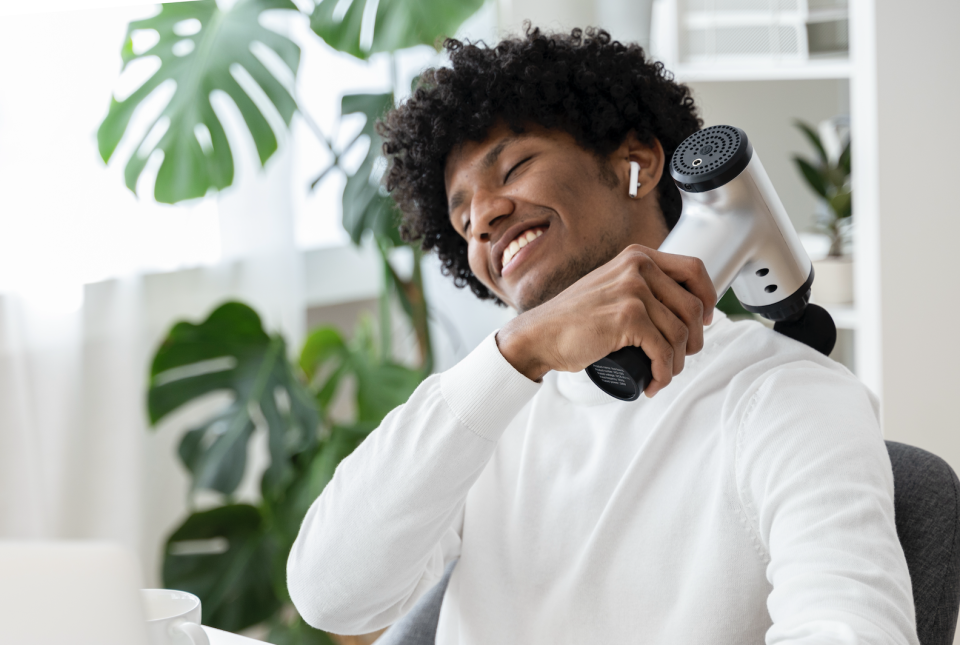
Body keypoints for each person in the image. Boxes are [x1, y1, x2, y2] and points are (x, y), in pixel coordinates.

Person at [287, 27, 918, 644]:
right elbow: (331, 595)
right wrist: (522, 351)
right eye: (462, 219)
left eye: (514, 167)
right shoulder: (488, 408)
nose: (482, 218)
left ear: (635, 163)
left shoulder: (786, 396)